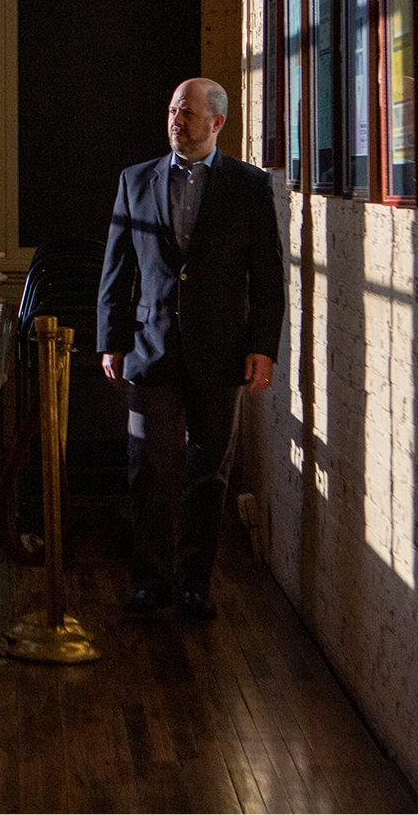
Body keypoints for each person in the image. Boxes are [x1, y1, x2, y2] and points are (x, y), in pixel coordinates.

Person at [95, 77, 285, 619]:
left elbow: (267, 276)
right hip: (150, 350)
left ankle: (194, 586)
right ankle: (149, 582)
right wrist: (110, 342)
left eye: (188, 113)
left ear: (216, 124)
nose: (176, 120)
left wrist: (262, 348)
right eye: (173, 109)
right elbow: (116, 270)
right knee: (148, 468)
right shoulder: (136, 181)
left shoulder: (247, 186)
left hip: (221, 353)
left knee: (209, 471)